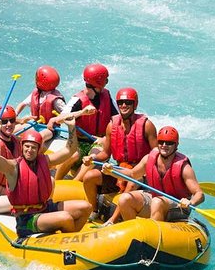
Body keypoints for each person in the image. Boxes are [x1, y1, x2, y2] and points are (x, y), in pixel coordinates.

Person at [0, 115, 92, 237]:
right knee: (66, 217)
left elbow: (69, 150)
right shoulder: (13, 167)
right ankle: (68, 242)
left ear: (38, 150)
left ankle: (68, 237)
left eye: (33, 147)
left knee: (86, 207)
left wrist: (71, 127)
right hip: (26, 219)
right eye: (27, 146)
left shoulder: (45, 161)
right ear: (22, 147)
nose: (29, 150)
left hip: (44, 207)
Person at [82, 87, 157, 223]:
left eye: (128, 102)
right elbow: (105, 153)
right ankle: (94, 211)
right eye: (120, 102)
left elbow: (156, 155)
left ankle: (112, 220)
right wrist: (92, 158)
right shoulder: (112, 125)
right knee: (89, 177)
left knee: (133, 182)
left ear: (135, 104)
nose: (123, 105)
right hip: (118, 169)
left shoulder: (147, 125)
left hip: (139, 171)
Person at [102, 126, 204, 222]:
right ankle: (136, 233)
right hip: (155, 198)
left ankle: (153, 238)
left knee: (157, 202)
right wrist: (111, 171)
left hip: (178, 206)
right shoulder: (149, 159)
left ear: (176, 145)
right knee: (125, 199)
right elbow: (132, 174)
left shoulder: (184, 167)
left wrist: (191, 202)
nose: (164, 145)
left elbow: (199, 194)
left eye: (169, 143)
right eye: (161, 142)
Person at [52, 63, 118, 180]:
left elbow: (117, 120)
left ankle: (74, 184)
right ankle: (56, 182)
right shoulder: (77, 99)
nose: (106, 84)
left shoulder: (106, 95)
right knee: (73, 155)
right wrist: (82, 112)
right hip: (81, 141)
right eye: (105, 81)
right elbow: (59, 119)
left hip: (100, 141)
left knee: (94, 155)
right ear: (98, 83)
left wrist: (106, 139)